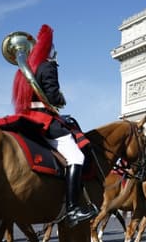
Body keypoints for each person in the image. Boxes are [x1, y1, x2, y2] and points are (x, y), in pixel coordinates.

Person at [12, 24, 96, 227]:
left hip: (26, 119)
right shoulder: (47, 65)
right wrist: (60, 98)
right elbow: (52, 96)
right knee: (76, 157)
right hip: (43, 119)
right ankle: (72, 208)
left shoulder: (24, 71)